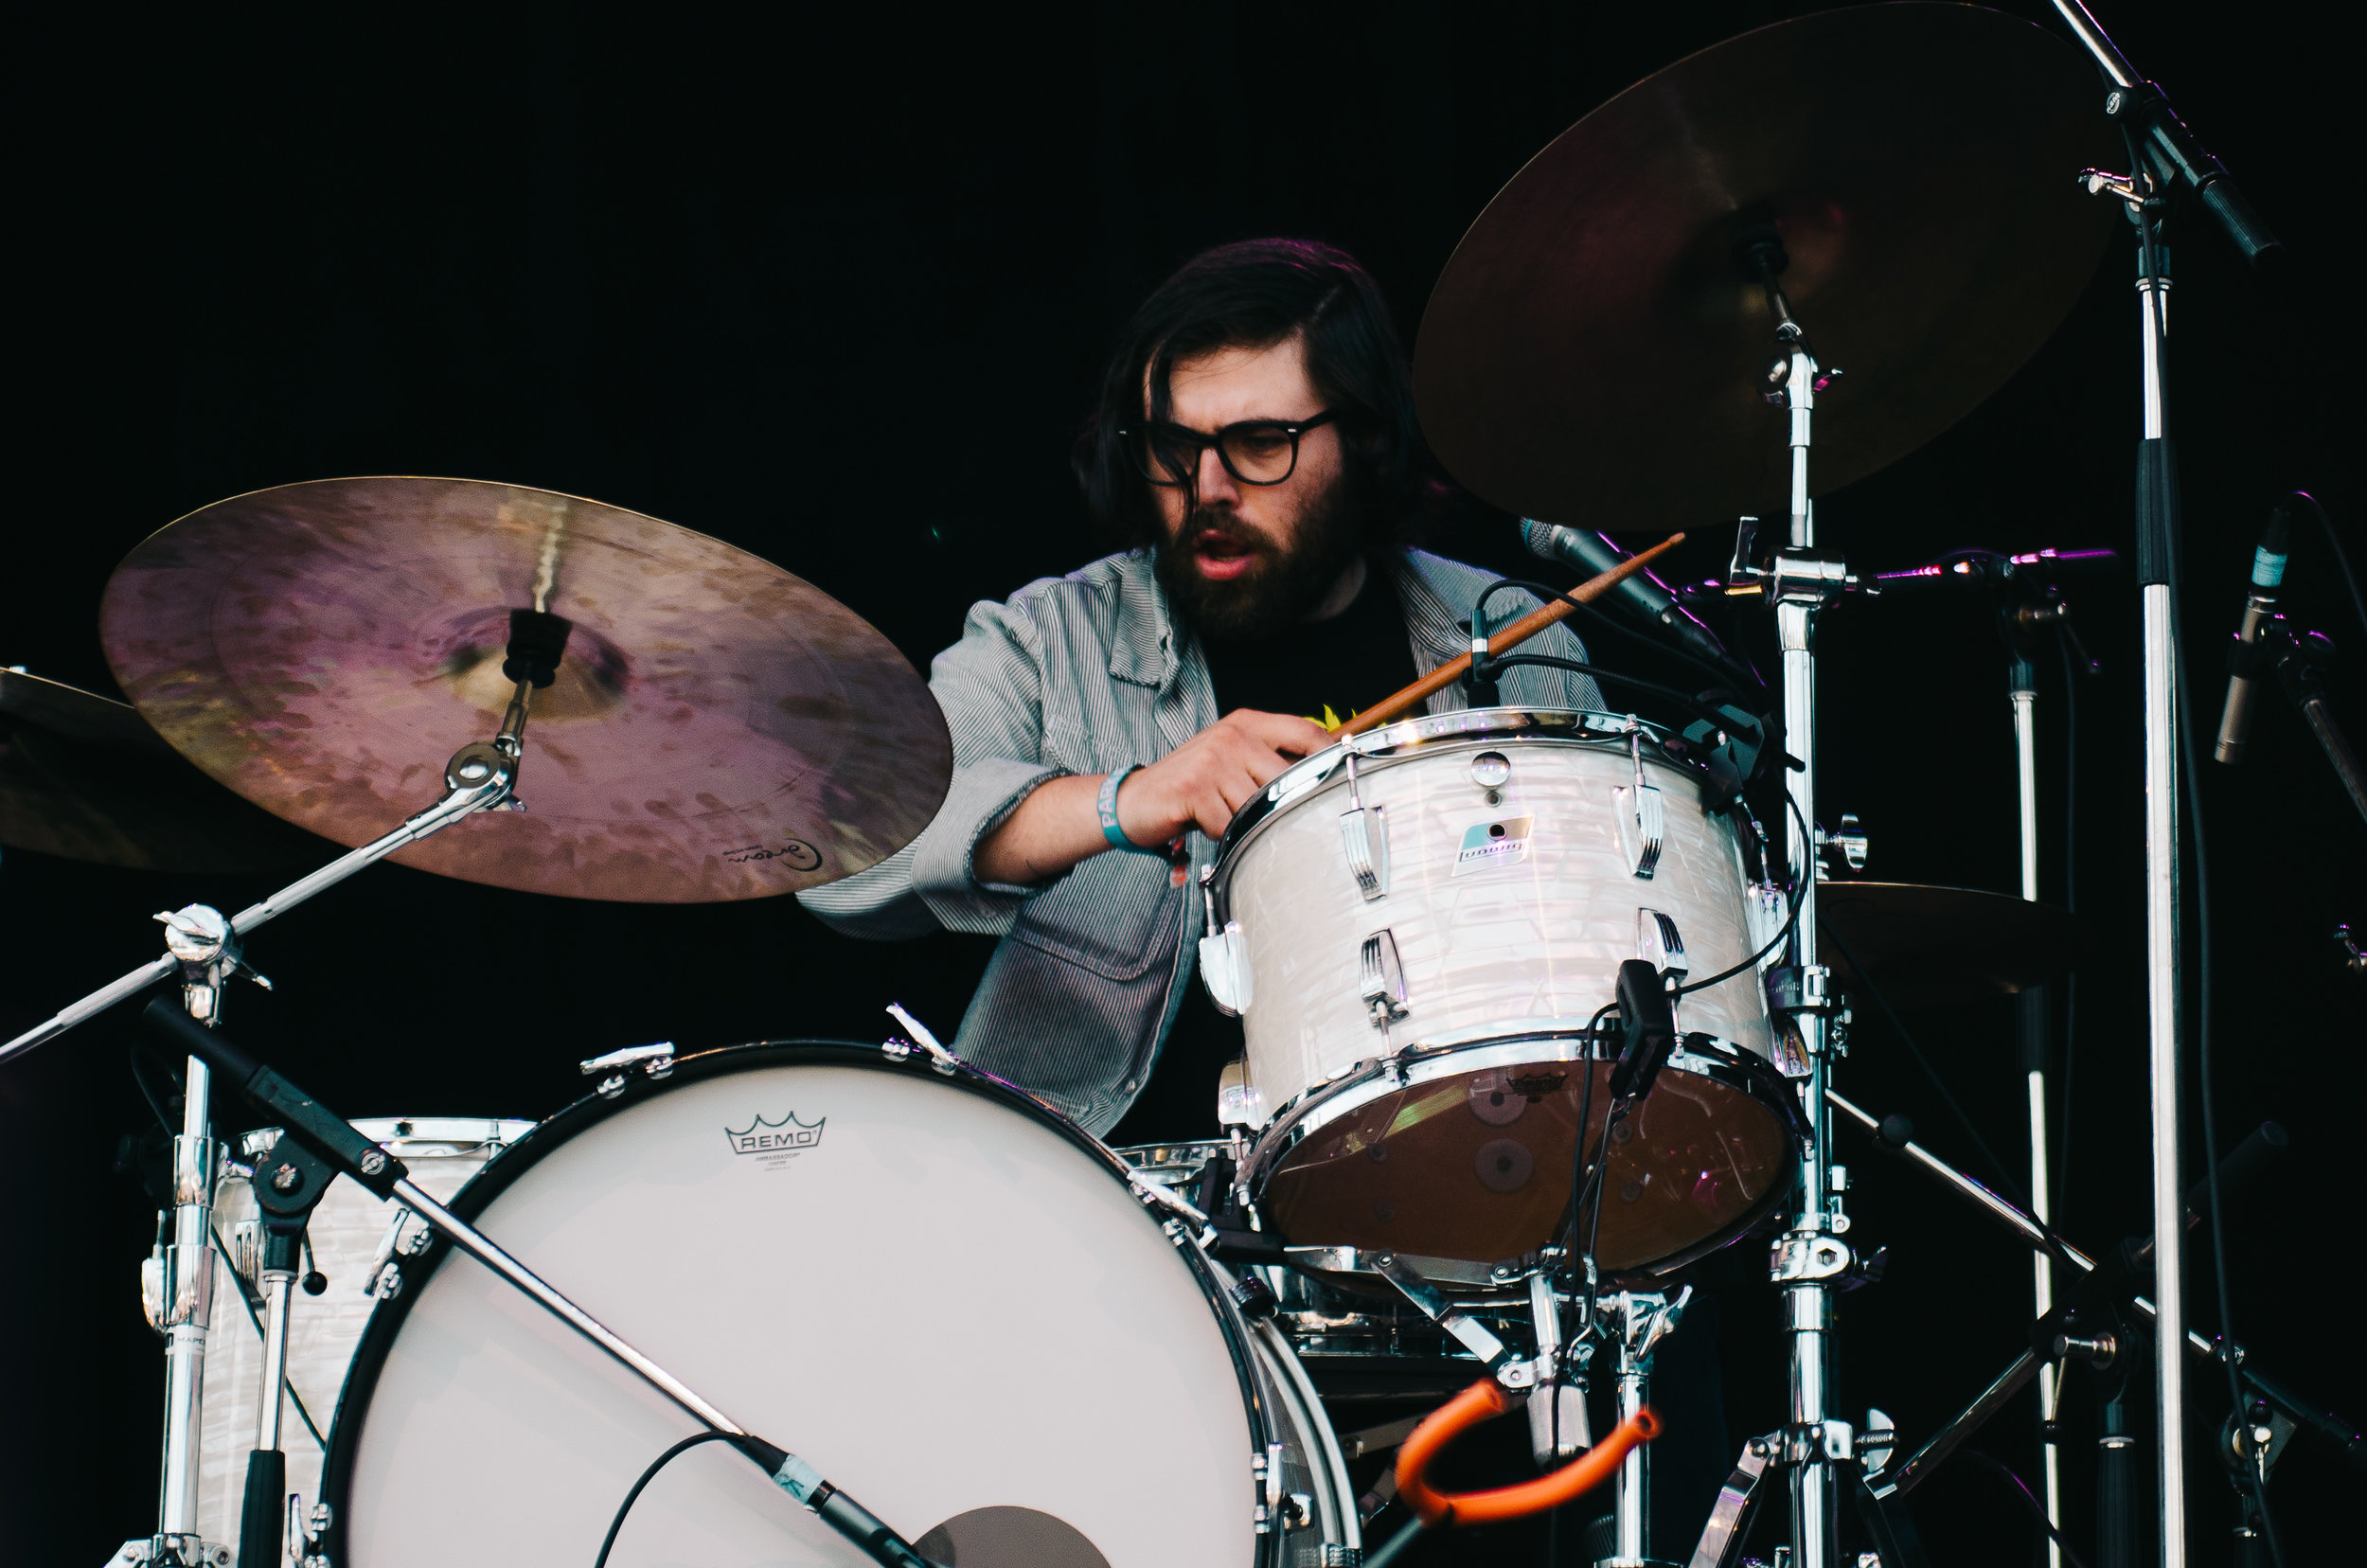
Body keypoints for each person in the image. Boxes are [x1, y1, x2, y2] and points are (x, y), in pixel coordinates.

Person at [799, 237, 1597, 1143]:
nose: (1207, 488)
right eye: (1174, 447)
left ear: (1367, 439)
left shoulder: (1504, 635)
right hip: (1110, 1218)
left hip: (1448, 1185)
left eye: (1261, 444)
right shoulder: (1046, 641)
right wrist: (1127, 800)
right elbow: (842, 856)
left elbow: (1593, 945)